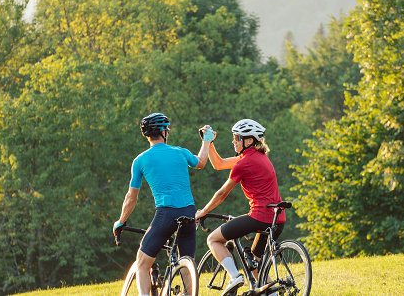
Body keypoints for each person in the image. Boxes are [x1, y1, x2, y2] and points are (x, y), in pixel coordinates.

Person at [113, 113, 214, 296]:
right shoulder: (181, 152)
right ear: (163, 131)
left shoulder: (140, 160)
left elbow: (131, 198)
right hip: (189, 212)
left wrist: (121, 221)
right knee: (186, 261)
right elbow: (201, 162)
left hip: (166, 215)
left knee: (142, 263)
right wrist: (206, 140)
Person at [195, 119, 286, 296]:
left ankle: (235, 277)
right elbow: (219, 164)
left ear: (249, 140)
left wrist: (203, 211)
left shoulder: (244, 163)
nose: (233, 141)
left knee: (213, 239)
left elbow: (222, 193)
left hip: (259, 217)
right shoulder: (258, 157)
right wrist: (209, 143)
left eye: (237, 137)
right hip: (277, 218)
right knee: (255, 267)